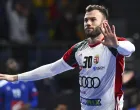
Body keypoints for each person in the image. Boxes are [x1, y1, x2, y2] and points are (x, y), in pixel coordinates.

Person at [0, 5, 135, 110]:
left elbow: (130, 48)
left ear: (104, 22)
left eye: (93, 19)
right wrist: (16, 77)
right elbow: (51, 69)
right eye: (86, 19)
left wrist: (116, 44)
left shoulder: (113, 45)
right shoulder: (78, 49)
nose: (88, 23)